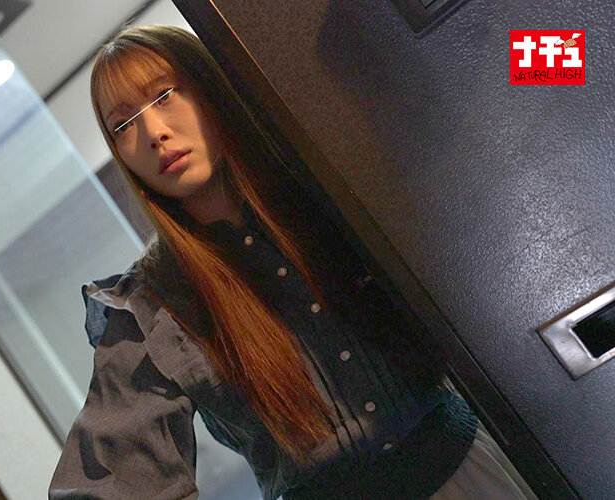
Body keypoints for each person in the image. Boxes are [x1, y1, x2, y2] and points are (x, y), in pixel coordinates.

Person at [49, 25, 537, 500]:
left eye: (164, 96)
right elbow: (109, 481)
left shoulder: (326, 186)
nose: (153, 133)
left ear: (209, 88)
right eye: (123, 125)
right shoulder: (151, 304)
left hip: (473, 470)